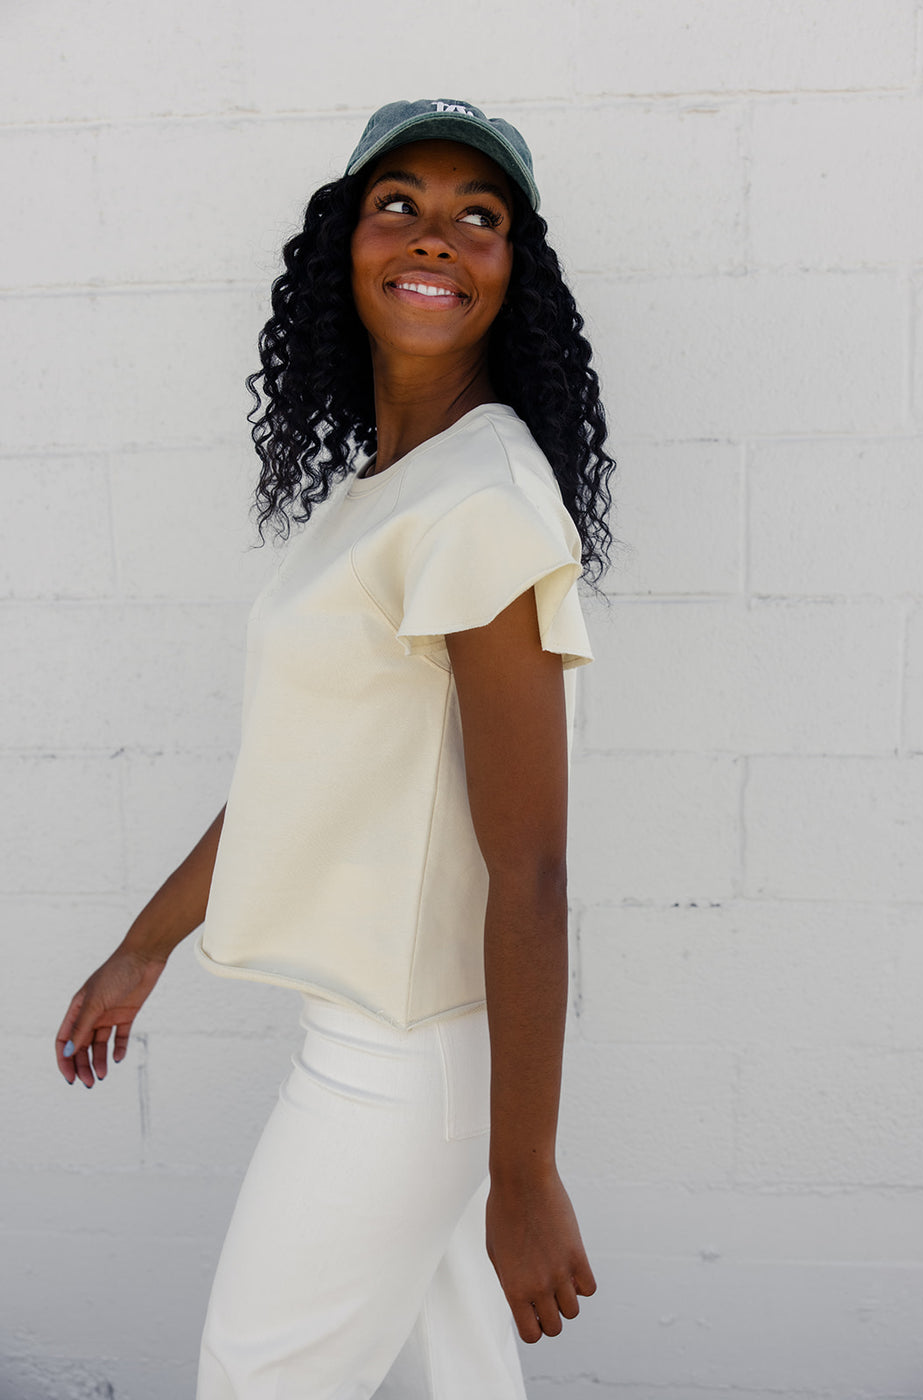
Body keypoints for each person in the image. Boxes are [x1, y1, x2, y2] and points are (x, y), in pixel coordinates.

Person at [55, 97, 616, 1399]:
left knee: (256, 1378)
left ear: (512, 273)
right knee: (466, 1380)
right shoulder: (384, 496)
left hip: (403, 1063)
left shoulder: (478, 501)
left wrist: (523, 1173)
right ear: (343, 247)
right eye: (399, 205)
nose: (435, 238)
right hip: (406, 1045)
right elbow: (299, 780)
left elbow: (530, 866)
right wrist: (149, 939)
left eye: (479, 218)